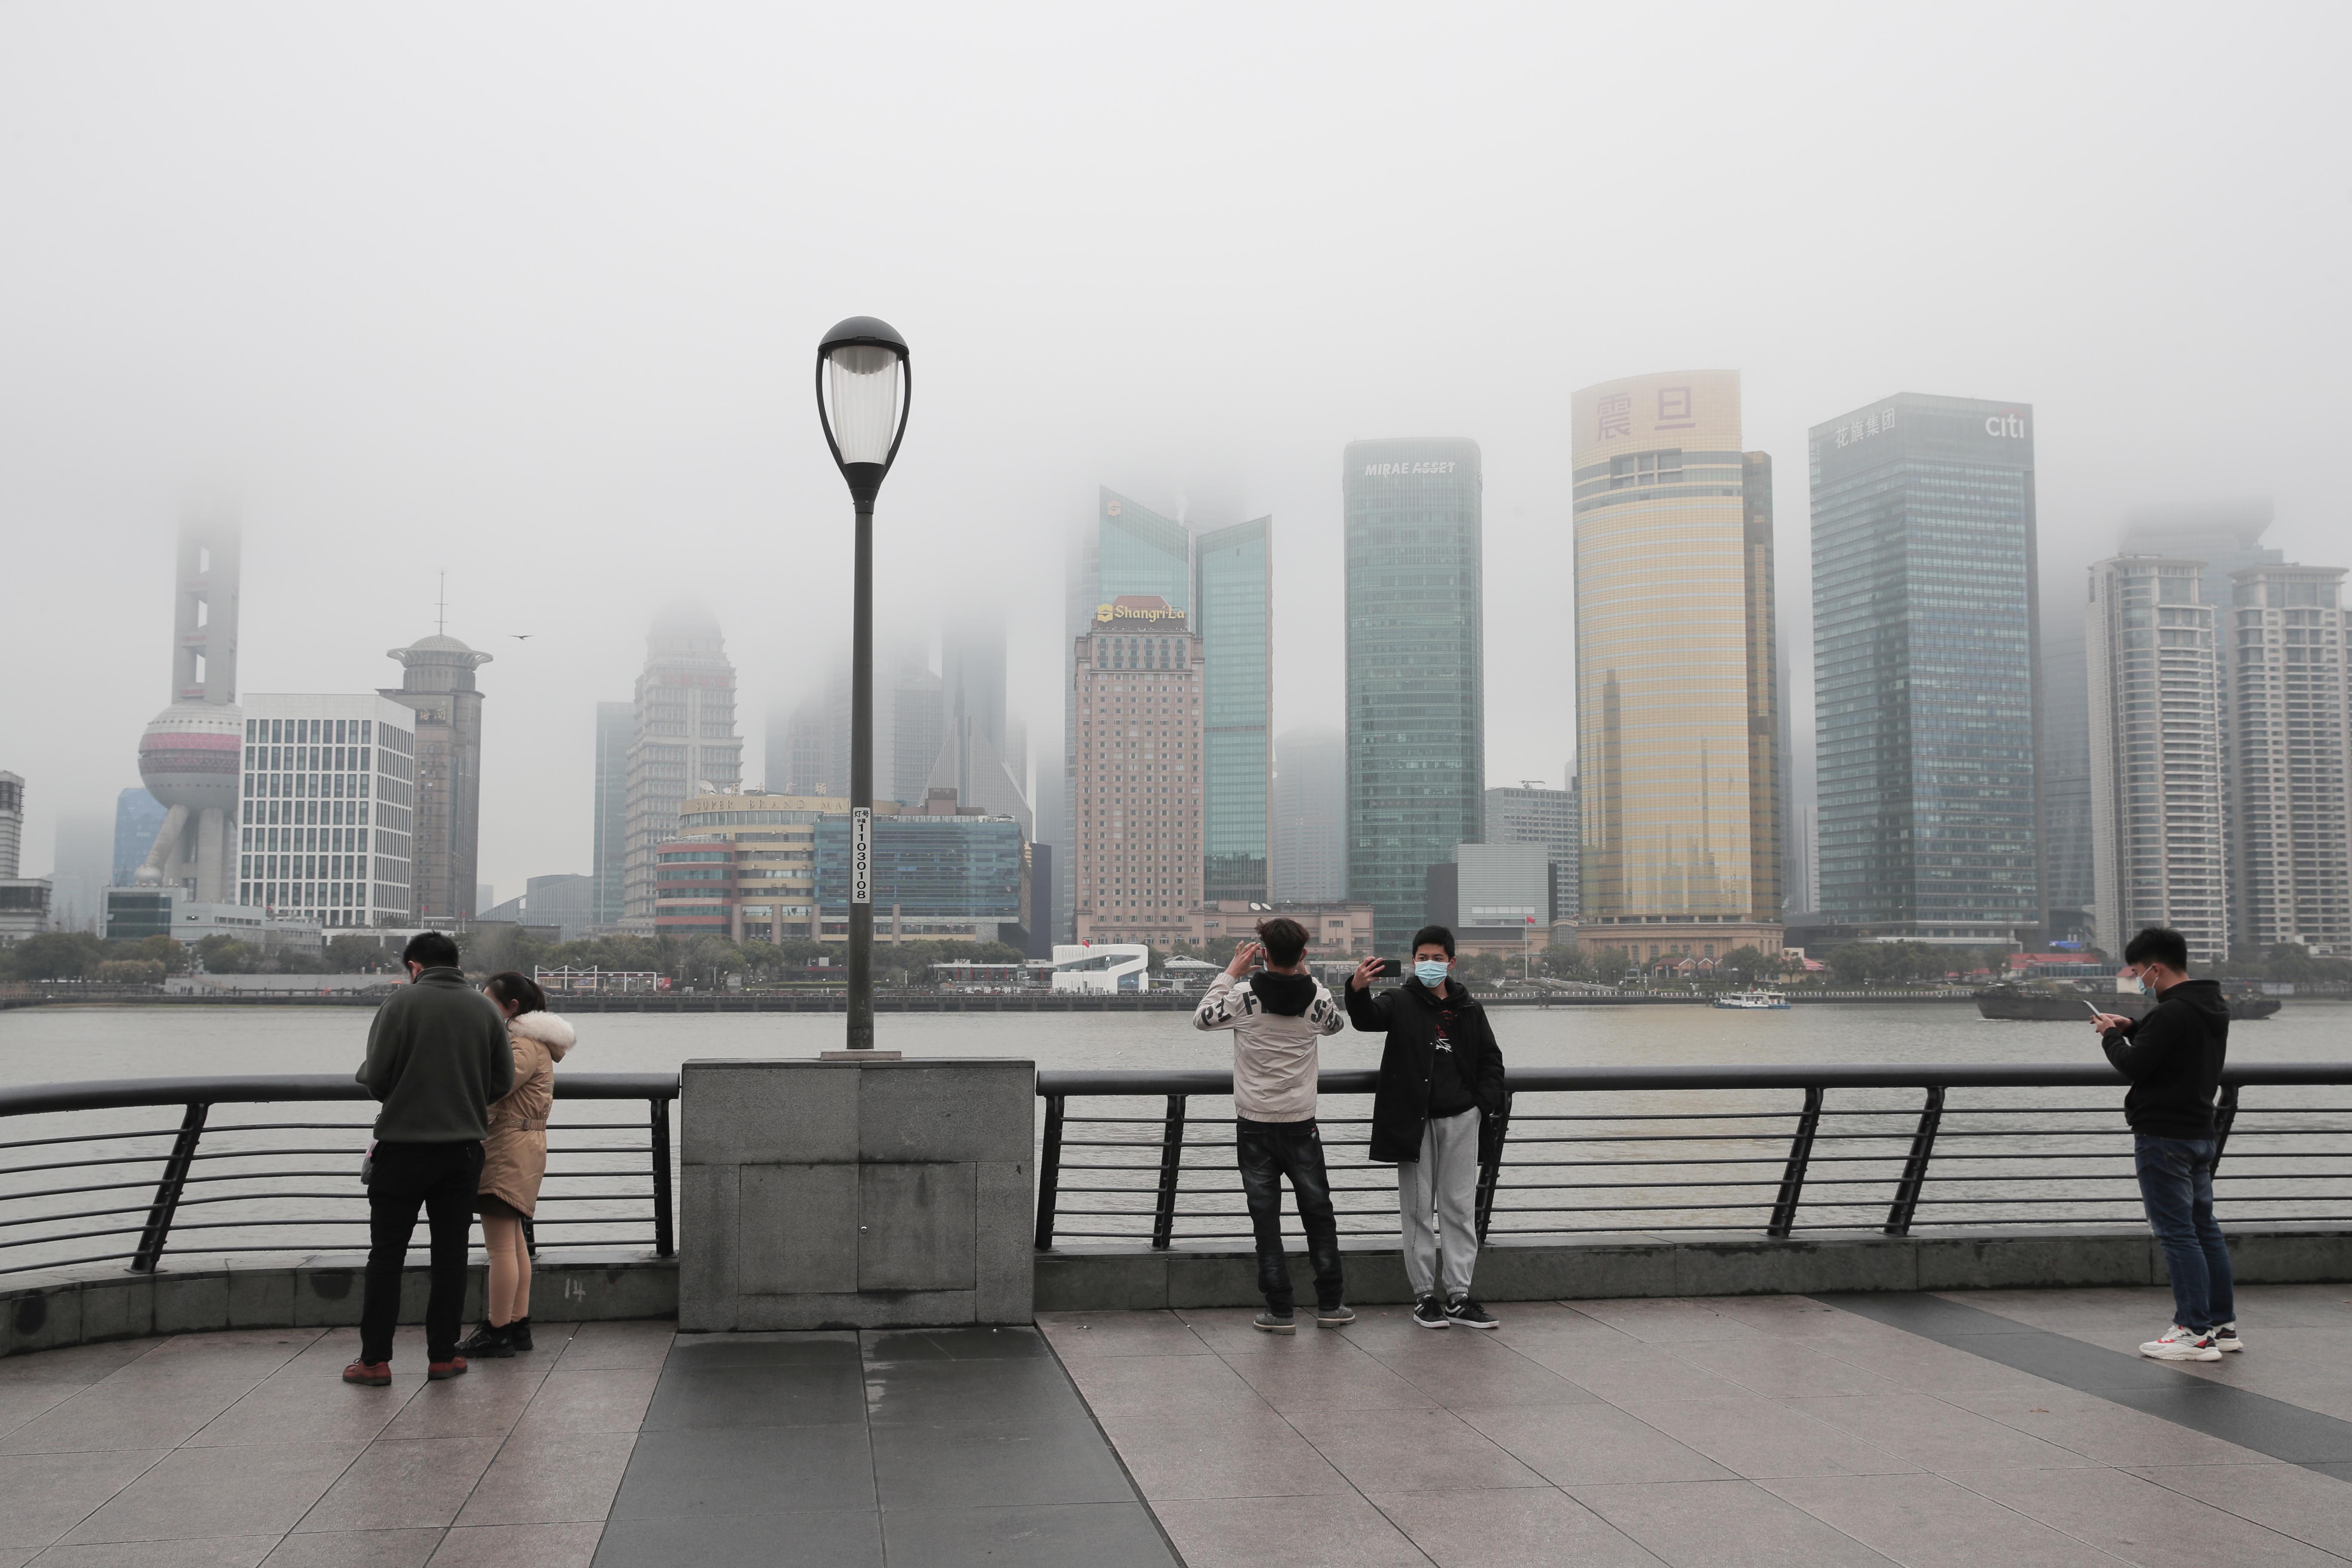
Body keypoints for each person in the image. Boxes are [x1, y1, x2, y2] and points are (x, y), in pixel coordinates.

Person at [344, 931, 514, 1386]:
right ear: (456, 964)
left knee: (386, 1256)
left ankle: (375, 1362)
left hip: (402, 1148)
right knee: (451, 1255)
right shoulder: (485, 1009)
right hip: (462, 1151)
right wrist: (465, 1098)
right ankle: (443, 1357)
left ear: (415, 967)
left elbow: (377, 1078)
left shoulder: (399, 1004)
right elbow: (502, 1082)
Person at [1191, 917, 1351, 1333]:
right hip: (1301, 1123)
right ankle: (1330, 1304)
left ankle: (1280, 1311)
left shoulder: (1243, 997)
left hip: (1254, 1125)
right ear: (1303, 954)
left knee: (1266, 1220)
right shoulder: (1317, 998)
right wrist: (1309, 977)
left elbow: (1202, 1019)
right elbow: (1335, 1025)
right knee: (1319, 1214)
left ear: (1262, 954)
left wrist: (1230, 972)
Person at [2091, 925, 2239, 1362]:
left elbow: (2136, 1065)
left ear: (2155, 968)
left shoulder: (2171, 1012)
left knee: (2177, 1234)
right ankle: (2221, 1325)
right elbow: (2176, 1047)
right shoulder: (2210, 1005)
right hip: (2199, 1131)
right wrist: (2136, 1026)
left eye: (2138, 971)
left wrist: (2111, 1035)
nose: (2138, 979)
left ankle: (2193, 1332)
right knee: (2204, 1229)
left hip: (2163, 1136)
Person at [1349, 925, 1506, 1330]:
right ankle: (1424, 1297)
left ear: (1452, 963)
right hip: (1413, 1121)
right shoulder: (1398, 1001)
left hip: (1462, 1118)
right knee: (1417, 1209)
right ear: (1413, 960)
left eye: (1438, 958)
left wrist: (1480, 1105)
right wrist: (1357, 988)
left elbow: (1491, 1060)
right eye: (1423, 958)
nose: (1430, 964)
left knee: (1459, 1208)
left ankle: (1459, 1296)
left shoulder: (1469, 1008)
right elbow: (1366, 1020)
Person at [455, 971, 576, 1359]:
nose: (483, 1008)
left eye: (489, 1002)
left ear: (512, 1007)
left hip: (506, 1146)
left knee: (500, 1248)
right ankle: (518, 1324)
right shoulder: (535, 1041)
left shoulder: (520, 1042)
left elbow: (496, 1085)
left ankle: (498, 1331)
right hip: (524, 1144)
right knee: (514, 1241)